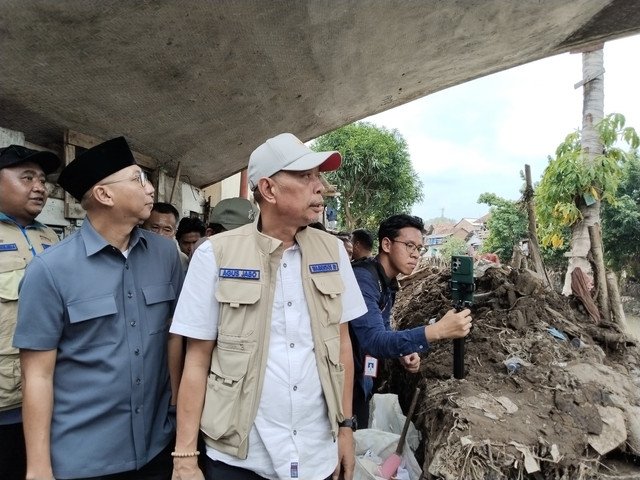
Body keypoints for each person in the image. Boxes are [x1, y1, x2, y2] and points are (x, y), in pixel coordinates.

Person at [170, 132, 367, 480]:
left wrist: (346, 428)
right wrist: (185, 456)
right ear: (269, 189)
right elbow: (197, 359)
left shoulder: (334, 252)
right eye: (305, 176)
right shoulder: (214, 254)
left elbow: (342, 346)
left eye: (318, 176)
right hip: (240, 457)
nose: (319, 186)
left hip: (316, 451)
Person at [13, 136, 185, 480]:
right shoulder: (50, 270)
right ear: (105, 195)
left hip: (157, 446)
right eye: (138, 179)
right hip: (84, 457)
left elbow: (173, 335)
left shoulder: (166, 255)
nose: (150, 189)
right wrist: (38, 468)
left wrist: (176, 409)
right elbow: (38, 375)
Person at [349, 214, 472, 428]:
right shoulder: (363, 280)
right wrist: (437, 331)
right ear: (386, 244)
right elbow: (373, 340)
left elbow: (383, 324)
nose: (415, 255)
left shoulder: (387, 282)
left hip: (362, 372)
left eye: (419, 248)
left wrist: (403, 351)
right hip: (344, 378)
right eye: (409, 246)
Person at [0, 145, 60, 480]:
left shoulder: (50, 237)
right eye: (27, 177)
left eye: (42, 179)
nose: (40, 186)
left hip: (49, 398)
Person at [142, 202, 190, 271]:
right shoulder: (131, 254)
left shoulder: (181, 260)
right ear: (142, 227)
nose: (160, 234)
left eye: (167, 230)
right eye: (154, 228)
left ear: (174, 233)